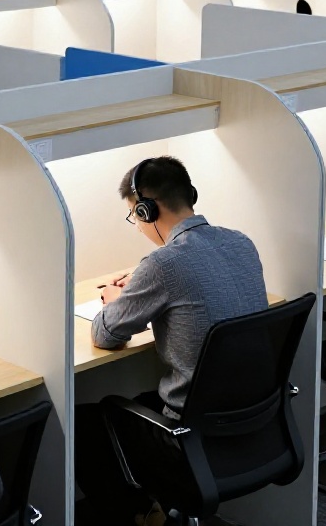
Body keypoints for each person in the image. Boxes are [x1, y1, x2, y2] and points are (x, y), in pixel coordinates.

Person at [76, 156, 268, 525]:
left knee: (85, 422)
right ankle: (156, 509)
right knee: (137, 402)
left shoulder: (163, 264)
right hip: (251, 418)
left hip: (188, 433)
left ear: (148, 210)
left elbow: (105, 335)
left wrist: (116, 300)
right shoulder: (241, 243)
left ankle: (143, 516)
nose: (138, 226)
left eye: (135, 215)